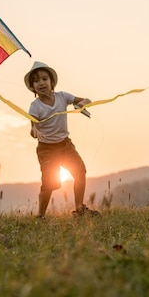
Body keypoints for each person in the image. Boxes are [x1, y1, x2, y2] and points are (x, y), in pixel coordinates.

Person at [25, 61, 100, 218]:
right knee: (49, 184)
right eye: (36, 81)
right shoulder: (35, 106)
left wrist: (81, 105)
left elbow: (87, 100)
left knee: (80, 172)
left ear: (52, 81)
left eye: (44, 79)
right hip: (46, 149)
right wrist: (34, 130)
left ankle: (79, 209)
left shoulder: (63, 97)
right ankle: (40, 216)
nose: (41, 83)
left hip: (65, 145)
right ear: (33, 87)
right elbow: (33, 128)